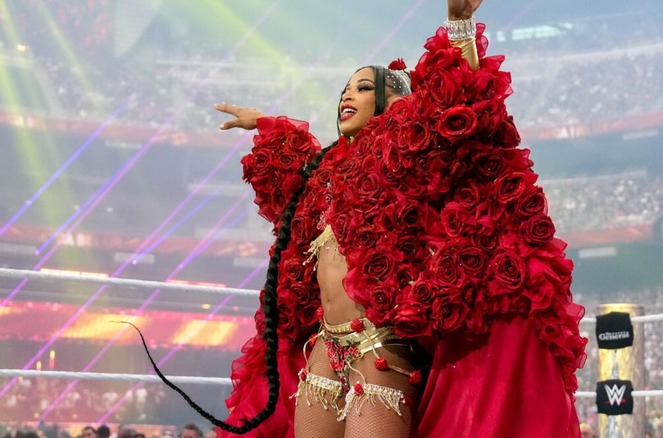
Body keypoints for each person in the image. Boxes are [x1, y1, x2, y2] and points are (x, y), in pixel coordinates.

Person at [139, 0, 587, 436]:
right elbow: (291, 188)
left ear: (395, 102)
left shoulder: (405, 155)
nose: (347, 96)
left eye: (363, 87)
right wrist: (267, 126)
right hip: (323, 347)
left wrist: (459, 27)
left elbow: (461, 105)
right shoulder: (327, 173)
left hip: (380, 346)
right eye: (344, 91)